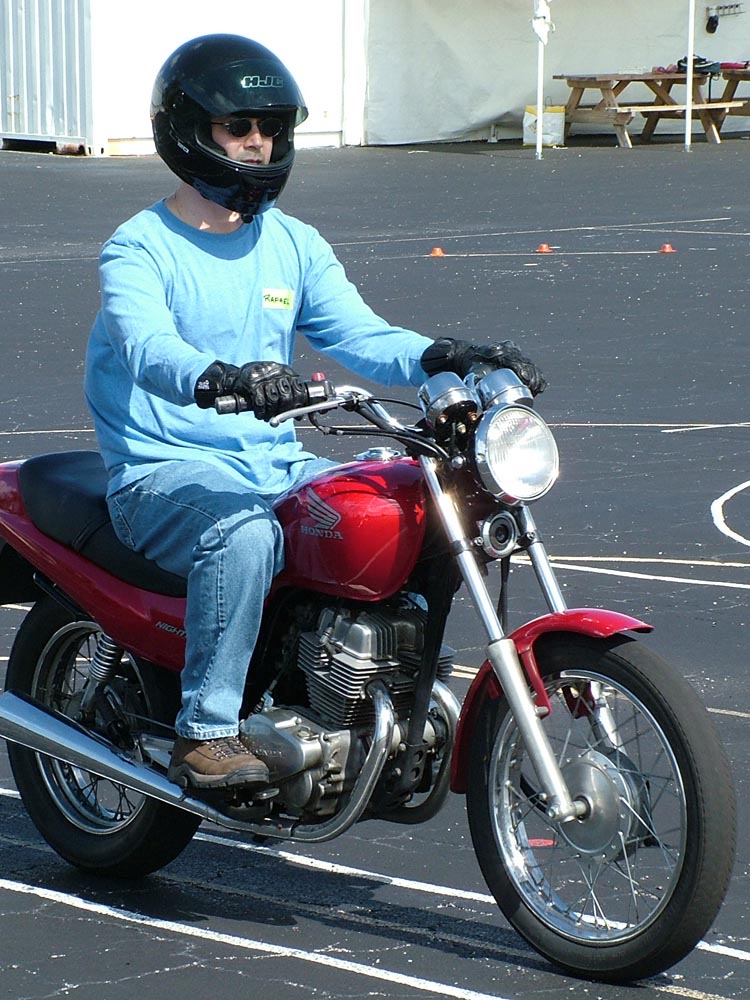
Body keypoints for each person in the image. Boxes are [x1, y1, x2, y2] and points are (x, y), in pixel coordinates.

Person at [84, 33, 546, 792]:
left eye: (270, 128)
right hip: (164, 473)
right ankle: (205, 732)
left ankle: (378, 693)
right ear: (190, 131)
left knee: (406, 506)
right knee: (243, 534)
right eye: (238, 127)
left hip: (273, 463)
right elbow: (147, 348)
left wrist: (451, 355)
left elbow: (361, 335)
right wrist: (221, 377)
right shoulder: (140, 248)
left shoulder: (292, 245)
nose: (257, 143)